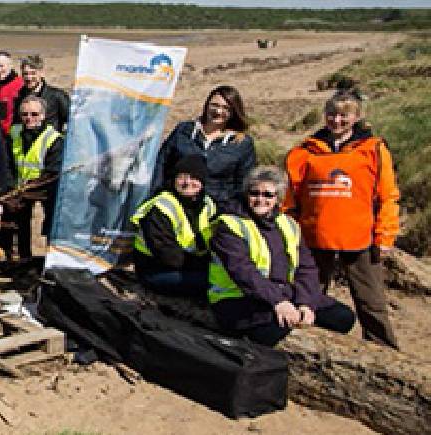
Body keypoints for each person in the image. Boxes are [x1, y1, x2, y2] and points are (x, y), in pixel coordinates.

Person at [283, 92, 399, 348]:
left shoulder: (373, 149)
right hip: (313, 237)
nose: (336, 120)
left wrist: (385, 236)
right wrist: (289, 233)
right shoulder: (305, 151)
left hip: (360, 238)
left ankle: (384, 351)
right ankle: (307, 346)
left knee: (371, 302)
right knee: (308, 296)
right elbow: (291, 199)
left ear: (357, 117)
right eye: (332, 114)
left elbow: (388, 196)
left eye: (344, 115)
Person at [208, 166, 355, 346]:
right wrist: (278, 302)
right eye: (254, 193)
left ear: (278, 198)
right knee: (277, 328)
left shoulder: (288, 224)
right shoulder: (229, 225)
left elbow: (306, 267)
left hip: (285, 292)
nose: (260, 199)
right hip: (240, 298)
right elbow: (243, 272)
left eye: (268, 195)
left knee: (343, 318)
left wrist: (305, 303)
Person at [156, 85, 256, 208]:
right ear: (206, 105)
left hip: (218, 208)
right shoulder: (183, 130)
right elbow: (161, 164)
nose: (218, 111)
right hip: (175, 203)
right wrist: (157, 194)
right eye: (214, 105)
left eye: (226, 108)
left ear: (234, 112)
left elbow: (244, 183)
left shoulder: (242, 143)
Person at [130, 156, 217, 297]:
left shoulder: (208, 204)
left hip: (191, 265)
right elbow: (168, 255)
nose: (187, 182)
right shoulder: (161, 206)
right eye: (182, 177)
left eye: (194, 177)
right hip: (157, 271)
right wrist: (205, 265)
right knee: (216, 283)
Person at [0, 96, 66, 262]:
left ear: (43, 116)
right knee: (19, 223)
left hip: (46, 188)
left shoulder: (54, 138)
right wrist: (11, 185)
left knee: (51, 224)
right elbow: (6, 163)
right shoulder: (14, 134)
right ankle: (22, 258)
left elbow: (53, 170)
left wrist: (31, 186)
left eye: (34, 114)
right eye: (25, 114)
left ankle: (52, 259)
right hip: (20, 187)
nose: (29, 118)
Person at [14, 55, 71, 132]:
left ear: (41, 73)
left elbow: (72, 121)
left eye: (33, 73)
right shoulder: (19, 97)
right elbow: (17, 123)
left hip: (51, 139)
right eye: (25, 74)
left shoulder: (57, 96)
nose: (29, 77)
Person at [0, 51, 24, 134]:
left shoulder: (22, 84)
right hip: (2, 133)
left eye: (1, 66)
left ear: (10, 65)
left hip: (19, 132)